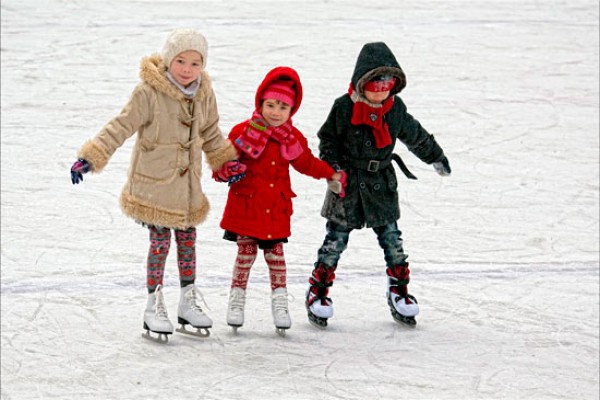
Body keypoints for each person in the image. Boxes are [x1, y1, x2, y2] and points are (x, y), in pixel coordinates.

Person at [69, 28, 246, 342]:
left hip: (188, 188)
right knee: (161, 243)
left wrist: (225, 160)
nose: (187, 69)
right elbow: (120, 126)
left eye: (195, 63)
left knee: (188, 243)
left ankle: (187, 301)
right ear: (168, 59)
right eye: (180, 61)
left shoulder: (204, 92)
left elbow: (211, 132)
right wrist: (92, 156)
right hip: (154, 185)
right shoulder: (148, 92)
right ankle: (154, 304)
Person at [305, 42, 452, 328]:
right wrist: (333, 170)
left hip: (381, 185)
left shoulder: (395, 109)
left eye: (389, 82)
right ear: (362, 80)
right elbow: (328, 141)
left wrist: (435, 155)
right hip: (347, 185)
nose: (383, 88)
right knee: (335, 242)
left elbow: (415, 134)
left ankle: (399, 290)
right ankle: (318, 291)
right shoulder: (344, 107)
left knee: (393, 242)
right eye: (377, 81)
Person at [216, 66, 344, 335]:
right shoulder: (243, 131)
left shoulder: (292, 138)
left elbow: (306, 163)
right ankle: (237, 301)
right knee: (245, 254)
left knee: (276, 258)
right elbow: (222, 163)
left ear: (291, 110)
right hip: (247, 206)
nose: (275, 112)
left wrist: (329, 173)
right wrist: (225, 169)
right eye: (270, 104)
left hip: (275, 207)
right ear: (260, 103)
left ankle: (280, 303)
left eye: (282, 107)